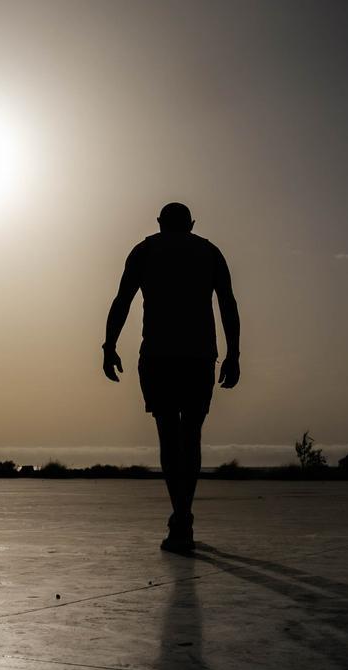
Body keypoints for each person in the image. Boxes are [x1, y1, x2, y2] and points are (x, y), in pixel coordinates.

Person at [102, 202, 240, 552]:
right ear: (191, 224)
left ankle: (180, 516)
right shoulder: (209, 252)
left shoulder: (145, 251)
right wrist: (233, 354)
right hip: (198, 356)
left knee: (168, 434)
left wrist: (109, 345)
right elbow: (227, 304)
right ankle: (184, 515)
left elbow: (122, 301)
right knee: (191, 435)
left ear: (160, 223)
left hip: (159, 356)